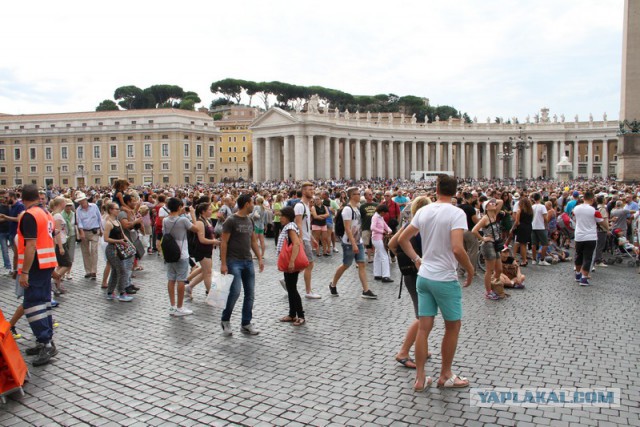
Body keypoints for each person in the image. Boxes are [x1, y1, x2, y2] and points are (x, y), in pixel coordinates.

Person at [397, 174, 474, 391]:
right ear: (455, 191)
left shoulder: (423, 210)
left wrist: (417, 259)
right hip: (444, 278)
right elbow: (458, 248)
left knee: (423, 328)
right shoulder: (457, 213)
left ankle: (420, 379)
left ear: (437, 188)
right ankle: (445, 375)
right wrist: (470, 269)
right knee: (453, 327)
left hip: (424, 276)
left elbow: (402, 239)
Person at [16, 184, 59, 366]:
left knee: (32, 304)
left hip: (36, 265)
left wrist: (24, 272)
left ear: (22, 197)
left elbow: (31, 245)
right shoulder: (46, 213)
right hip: (46, 262)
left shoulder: (29, 215)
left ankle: (44, 342)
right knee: (44, 302)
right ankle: (46, 340)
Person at [389, 196, 431, 370]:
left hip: (408, 274)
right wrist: (417, 259)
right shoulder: (425, 226)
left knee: (424, 313)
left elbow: (392, 244)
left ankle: (424, 348)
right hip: (421, 273)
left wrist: (405, 258)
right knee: (423, 316)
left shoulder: (409, 225)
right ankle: (404, 352)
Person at [220, 194, 264, 336]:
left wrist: (259, 257)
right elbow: (224, 242)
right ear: (246, 204)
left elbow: (252, 241)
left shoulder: (250, 220)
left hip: (248, 261)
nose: (254, 205)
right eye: (252, 203)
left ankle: (246, 323)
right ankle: (225, 320)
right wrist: (223, 263)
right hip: (234, 261)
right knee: (235, 292)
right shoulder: (231, 220)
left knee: (250, 294)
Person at [329, 187, 377, 299]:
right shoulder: (347, 209)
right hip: (349, 243)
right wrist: (354, 243)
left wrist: (358, 242)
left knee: (361, 264)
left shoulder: (357, 208)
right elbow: (347, 228)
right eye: (357, 194)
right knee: (346, 264)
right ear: (351, 196)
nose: (359, 195)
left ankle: (366, 290)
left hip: (358, 241)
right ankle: (333, 284)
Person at [163, 197, 199, 316]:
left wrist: (179, 212)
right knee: (181, 280)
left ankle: (172, 306)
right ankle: (180, 307)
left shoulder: (165, 220)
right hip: (182, 254)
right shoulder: (183, 220)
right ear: (179, 207)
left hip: (169, 252)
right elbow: (196, 228)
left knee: (171, 279)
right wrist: (192, 214)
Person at [276, 206, 305, 326]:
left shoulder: (290, 227)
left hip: (290, 262)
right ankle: (292, 314)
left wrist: (292, 261)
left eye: (281, 216)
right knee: (290, 288)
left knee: (292, 289)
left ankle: (301, 315)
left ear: (287, 216)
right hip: (288, 262)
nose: (280, 218)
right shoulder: (288, 226)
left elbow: (297, 244)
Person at [472, 198, 505, 300]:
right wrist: (483, 238)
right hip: (488, 245)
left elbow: (501, 201)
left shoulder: (495, 214)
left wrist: (491, 200)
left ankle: (492, 284)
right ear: (486, 207)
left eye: (493, 203)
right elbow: (474, 230)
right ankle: (488, 291)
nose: (493, 204)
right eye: (491, 204)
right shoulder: (485, 218)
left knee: (499, 269)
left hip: (496, 244)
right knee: (489, 270)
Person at [185, 203, 219, 299]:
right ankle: (210, 293)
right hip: (202, 250)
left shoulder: (207, 220)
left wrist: (214, 240)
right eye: (209, 209)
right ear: (203, 211)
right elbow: (202, 239)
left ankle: (189, 286)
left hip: (208, 249)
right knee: (207, 273)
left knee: (205, 271)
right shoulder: (200, 222)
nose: (211, 211)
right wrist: (215, 241)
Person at [102, 202, 135, 302]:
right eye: (116, 209)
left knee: (116, 271)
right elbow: (106, 238)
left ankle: (110, 292)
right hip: (112, 250)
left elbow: (123, 235)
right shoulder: (108, 223)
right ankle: (121, 292)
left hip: (119, 248)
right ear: (111, 210)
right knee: (122, 270)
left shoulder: (117, 222)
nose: (118, 211)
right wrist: (118, 241)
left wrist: (130, 243)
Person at [294, 182, 321, 299]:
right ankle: (308, 291)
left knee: (303, 264)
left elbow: (306, 226)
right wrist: (301, 240)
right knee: (309, 264)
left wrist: (312, 238)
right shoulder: (300, 206)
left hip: (305, 238)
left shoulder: (306, 206)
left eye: (313, 189)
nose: (312, 191)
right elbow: (298, 224)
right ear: (304, 191)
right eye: (310, 190)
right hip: (302, 239)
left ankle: (287, 279)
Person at [573, 191, 603, 286]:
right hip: (590, 236)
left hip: (579, 236)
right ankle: (584, 278)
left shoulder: (576, 208)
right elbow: (601, 221)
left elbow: (574, 218)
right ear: (592, 199)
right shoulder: (594, 210)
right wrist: (608, 228)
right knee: (588, 257)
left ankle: (578, 275)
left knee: (579, 255)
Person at [75, 192, 103, 279]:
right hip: (84, 231)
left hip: (94, 230)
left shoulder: (94, 206)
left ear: (85, 199)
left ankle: (93, 271)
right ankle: (88, 271)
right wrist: (81, 232)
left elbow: (99, 218)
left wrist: (101, 229)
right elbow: (79, 222)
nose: (81, 203)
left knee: (94, 250)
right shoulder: (78, 210)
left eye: (82, 200)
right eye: (79, 201)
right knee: (85, 252)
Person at [50, 197, 72, 295]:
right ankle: (56, 278)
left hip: (61, 241)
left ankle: (58, 286)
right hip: (60, 242)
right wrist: (60, 247)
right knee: (67, 264)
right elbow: (57, 232)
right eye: (65, 202)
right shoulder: (57, 216)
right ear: (61, 204)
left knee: (60, 265)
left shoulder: (54, 214)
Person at [370, 204, 393, 282]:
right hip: (377, 238)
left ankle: (377, 274)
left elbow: (385, 225)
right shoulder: (375, 217)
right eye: (385, 212)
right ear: (382, 211)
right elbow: (372, 227)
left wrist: (389, 230)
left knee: (377, 256)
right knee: (384, 256)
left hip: (378, 238)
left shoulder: (380, 217)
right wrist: (382, 231)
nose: (386, 214)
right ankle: (385, 276)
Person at [459, 192, 479, 275]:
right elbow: (475, 221)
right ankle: (472, 270)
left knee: (463, 251)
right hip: (470, 231)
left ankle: (461, 270)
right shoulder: (470, 208)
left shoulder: (459, 207)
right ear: (470, 199)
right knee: (472, 251)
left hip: (460, 231)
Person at [530, 193, 550, 265]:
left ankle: (534, 259)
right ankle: (542, 260)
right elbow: (545, 218)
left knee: (534, 244)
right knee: (545, 244)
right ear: (540, 198)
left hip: (533, 226)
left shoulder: (532, 206)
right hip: (540, 226)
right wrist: (546, 224)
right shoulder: (542, 206)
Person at [513, 196, 533, 266]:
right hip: (529, 226)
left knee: (522, 244)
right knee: (525, 244)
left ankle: (524, 260)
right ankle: (525, 259)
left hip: (522, 227)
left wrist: (513, 228)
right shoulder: (530, 211)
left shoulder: (519, 210)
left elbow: (517, 221)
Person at [359, 190, 378, 263]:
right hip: (366, 226)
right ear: (365, 196)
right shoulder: (362, 206)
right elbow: (360, 217)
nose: (371, 195)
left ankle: (374, 257)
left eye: (371, 194)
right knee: (366, 243)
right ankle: (367, 257)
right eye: (369, 194)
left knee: (374, 243)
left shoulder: (376, 205)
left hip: (375, 227)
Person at [61, 200, 77, 280]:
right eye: (67, 205)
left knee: (71, 255)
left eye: (70, 205)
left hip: (72, 235)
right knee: (63, 255)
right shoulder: (61, 215)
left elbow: (75, 224)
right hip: (64, 236)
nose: (68, 207)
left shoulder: (74, 214)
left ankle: (69, 272)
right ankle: (62, 273)